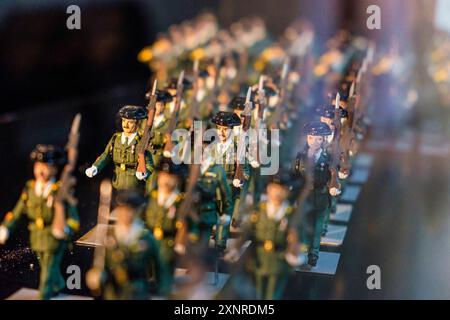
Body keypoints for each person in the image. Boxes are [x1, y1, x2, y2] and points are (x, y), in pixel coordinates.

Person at [0, 145, 80, 299]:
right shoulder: (30, 189)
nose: (41, 171)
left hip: (54, 238)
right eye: (38, 167)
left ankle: (44, 294)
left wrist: (66, 229)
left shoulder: (60, 191)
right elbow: (17, 211)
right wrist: (6, 227)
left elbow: (74, 218)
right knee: (46, 265)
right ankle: (59, 285)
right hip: (37, 236)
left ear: (55, 170)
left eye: (46, 167)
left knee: (47, 271)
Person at [86, 191, 168, 299]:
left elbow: (158, 266)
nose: (126, 214)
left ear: (137, 211)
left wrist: (161, 289)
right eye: (122, 209)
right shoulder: (109, 235)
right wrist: (96, 274)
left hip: (137, 292)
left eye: (130, 210)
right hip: (114, 292)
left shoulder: (145, 237)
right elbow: (101, 261)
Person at [293, 121, 340, 267]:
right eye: (311, 138)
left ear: (324, 139)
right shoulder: (301, 156)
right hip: (304, 196)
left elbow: (334, 175)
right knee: (305, 225)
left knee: (318, 227)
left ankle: (314, 253)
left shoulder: (328, 158)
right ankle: (305, 248)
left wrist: (333, 186)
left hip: (320, 194)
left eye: (318, 138)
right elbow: (295, 175)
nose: (314, 142)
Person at [85, 105, 155, 191]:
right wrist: (95, 167)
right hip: (117, 182)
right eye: (124, 121)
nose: (125, 125)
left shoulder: (142, 141)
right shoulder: (116, 138)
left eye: (130, 122)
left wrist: (145, 173)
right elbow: (106, 155)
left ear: (137, 123)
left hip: (134, 184)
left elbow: (150, 164)